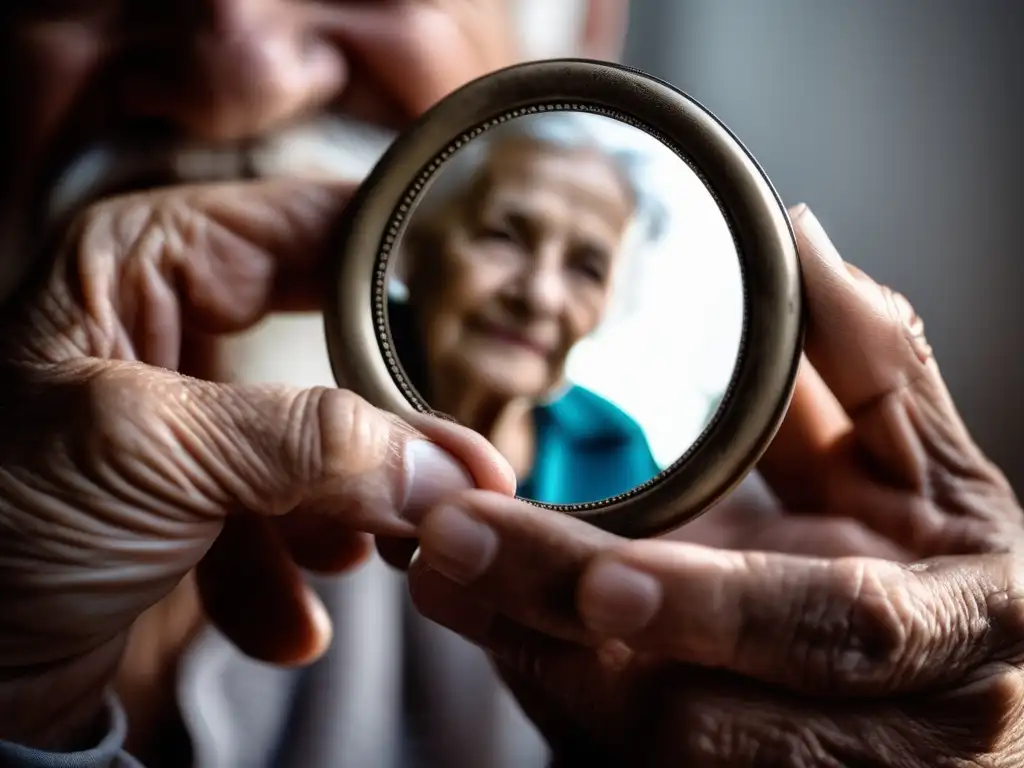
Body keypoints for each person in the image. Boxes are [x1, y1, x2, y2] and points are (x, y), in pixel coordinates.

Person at [0, 3, 1022, 768]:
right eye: (503, 234)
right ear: (418, 250)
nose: (242, 72)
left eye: (583, 265)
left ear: (581, 21)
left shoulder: (720, 545)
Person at [389, 115, 662, 505]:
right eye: (504, 237)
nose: (541, 296)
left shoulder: (615, 452)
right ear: (412, 244)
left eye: (587, 269)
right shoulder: (314, 363)